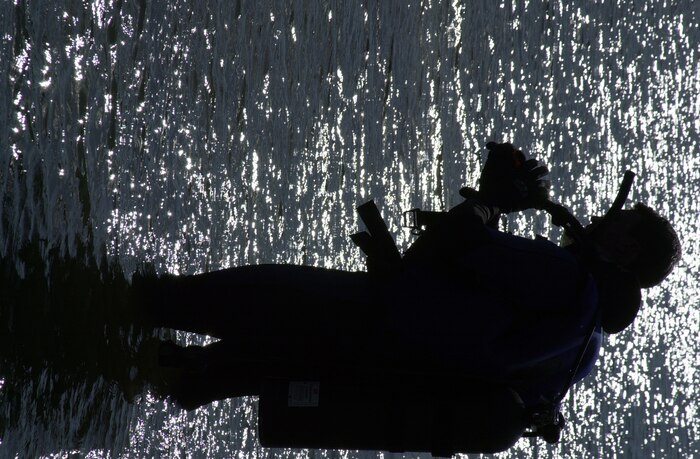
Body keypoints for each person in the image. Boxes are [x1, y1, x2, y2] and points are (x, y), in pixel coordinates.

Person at [132, 142, 681, 449]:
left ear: (628, 247)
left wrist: (493, 199)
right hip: (372, 371)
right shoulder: (582, 354)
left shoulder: (571, 283)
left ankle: (97, 319)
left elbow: (465, 247)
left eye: (621, 218)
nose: (606, 217)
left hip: (365, 320)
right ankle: (106, 376)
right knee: (210, 374)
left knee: (199, 300)